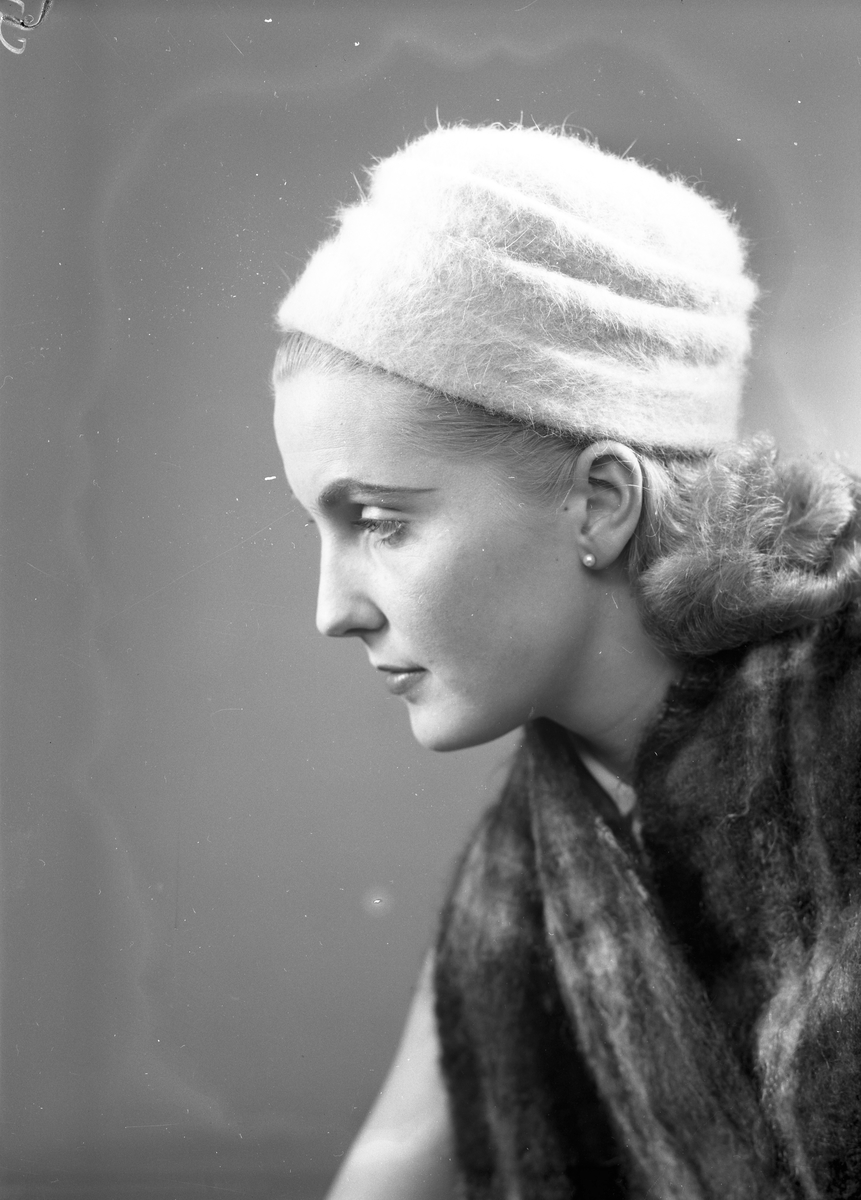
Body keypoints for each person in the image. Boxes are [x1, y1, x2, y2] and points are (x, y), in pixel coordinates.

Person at [271, 124, 861, 1199]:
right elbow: (395, 1162)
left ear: (599, 501)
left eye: (382, 523)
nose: (332, 611)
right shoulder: (531, 871)